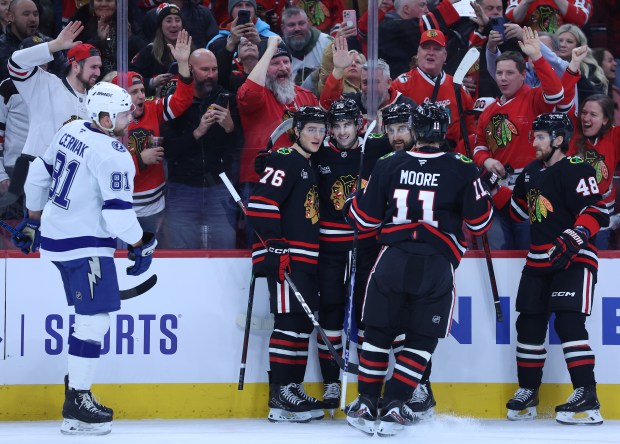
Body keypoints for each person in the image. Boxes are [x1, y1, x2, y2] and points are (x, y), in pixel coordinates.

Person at [11, 82, 157, 435]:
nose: (129, 117)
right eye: (123, 113)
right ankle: (78, 401)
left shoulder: (71, 129)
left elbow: (38, 175)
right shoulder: (114, 155)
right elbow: (118, 218)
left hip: (57, 238)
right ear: (104, 117)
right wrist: (142, 243)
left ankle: (75, 398)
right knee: (93, 322)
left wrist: (32, 219)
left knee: (89, 319)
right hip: (86, 245)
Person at [343, 102, 493, 437]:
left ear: (415, 129)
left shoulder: (387, 163)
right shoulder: (463, 166)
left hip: (392, 259)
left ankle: (367, 402)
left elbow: (364, 221)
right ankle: (396, 404)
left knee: (378, 334)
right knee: (421, 340)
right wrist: (487, 192)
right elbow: (480, 222)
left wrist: (351, 205)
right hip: (436, 263)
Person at [490, 113, 607, 425]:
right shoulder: (530, 173)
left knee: (569, 324)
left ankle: (587, 394)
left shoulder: (577, 169)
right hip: (537, 261)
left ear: (558, 139)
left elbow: (596, 210)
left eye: (541, 137)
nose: (534, 142)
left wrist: (575, 235)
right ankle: (528, 391)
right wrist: (492, 188)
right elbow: (516, 212)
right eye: (535, 136)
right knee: (528, 326)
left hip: (574, 258)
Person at [247, 106, 327, 423]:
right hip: (287, 259)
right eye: (310, 129)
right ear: (296, 131)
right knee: (288, 322)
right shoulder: (286, 159)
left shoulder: (306, 163)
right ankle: (280, 396)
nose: (317, 136)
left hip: (307, 259)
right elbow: (261, 204)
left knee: (302, 325)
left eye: (322, 130)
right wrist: (275, 245)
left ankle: (293, 387)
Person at [312, 98, 389, 416]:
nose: (342, 132)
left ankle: (367, 387)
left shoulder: (374, 150)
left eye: (348, 125)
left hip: (365, 246)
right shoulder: (319, 155)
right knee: (330, 311)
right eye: (337, 125)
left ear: (358, 124)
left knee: (364, 315)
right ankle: (333, 381)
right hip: (330, 247)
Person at [473, 27, 564, 249]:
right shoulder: (489, 109)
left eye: (510, 73)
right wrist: (486, 160)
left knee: (528, 252)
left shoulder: (534, 98)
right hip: (495, 192)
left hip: (530, 192)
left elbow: (556, 93)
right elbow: (478, 147)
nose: (503, 78)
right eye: (500, 73)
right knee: (499, 254)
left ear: (523, 75)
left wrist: (537, 56)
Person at [4, 20, 101, 207]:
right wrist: (54, 46)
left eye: (99, 67)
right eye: (93, 67)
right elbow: (15, 63)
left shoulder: (95, 100)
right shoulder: (44, 84)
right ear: (75, 66)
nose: (97, 72)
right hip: (40, 179)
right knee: (37, 233)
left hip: (74, 182)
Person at [236, 35, 318, 246]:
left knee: (296, 245)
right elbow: (250, 92)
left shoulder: (305, 96)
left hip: (299, 184)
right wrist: (270, 47)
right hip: (260, 183)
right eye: (274, 62)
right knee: (261, 247)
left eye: (286, 61)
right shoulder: (257, 94)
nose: (282, 68)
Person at [111, 28, 194, 236]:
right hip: (122, 207)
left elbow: (182, 101)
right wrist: (140, 160)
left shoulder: (152, 107)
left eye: (141, 91)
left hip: (154, 206)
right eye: (133, 92)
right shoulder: (106, 122)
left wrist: (183, 64)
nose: (140, 96)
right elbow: (108, 168)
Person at [161, 48, 243, 249]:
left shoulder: (227, 99)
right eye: (205, 69)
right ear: (190, 69)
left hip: (220, 186)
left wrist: (230, 127)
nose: (211, 75)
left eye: (214, 69)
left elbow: (242, 147)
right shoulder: (175, 103)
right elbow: (167, 149)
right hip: (183, 187)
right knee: (182, 251)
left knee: (225, 247)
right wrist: (197, 133)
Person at [392, 29, 475, 152]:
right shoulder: (401, 85)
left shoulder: (457, 87)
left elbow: (470, 130)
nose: (430, 53)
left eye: (436, 49)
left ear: (445, 55)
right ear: (418, 53)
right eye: (426, 48)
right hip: (414, 157)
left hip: (449, 158)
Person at [567, 94, 620, 249]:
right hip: (574, 213)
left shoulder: (614, 136)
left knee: (599, 261)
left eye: (593, 114)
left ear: (605, 121)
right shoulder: (572, 133)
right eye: (584, 112)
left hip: (603, 212)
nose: (586, 118)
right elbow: (562, 97)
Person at [378, 0, 461, 77]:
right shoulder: (389, 28)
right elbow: (423, 24)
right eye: (422, 5)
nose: (427, 10)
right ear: (406, 9)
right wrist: (448, 4)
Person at [130, 3, 191, 97]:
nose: (174, 25)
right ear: (160, 26)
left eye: (177, 20)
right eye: (169, 21)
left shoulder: (192, 51)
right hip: (155, 104)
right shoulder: (149, 52)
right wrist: (152, 82)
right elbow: (130, 78)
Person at [280, 7, 333, 87]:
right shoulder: (277, 48)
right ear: (283, 28)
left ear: (308, 24)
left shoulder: (326, 43)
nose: (297, 29)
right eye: (291, 25)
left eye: (301, 23)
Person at [506, 0, 592, 33]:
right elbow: (512, 19)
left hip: (564, 53)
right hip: (527, 51)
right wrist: (526, 2)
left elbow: (581, 18)